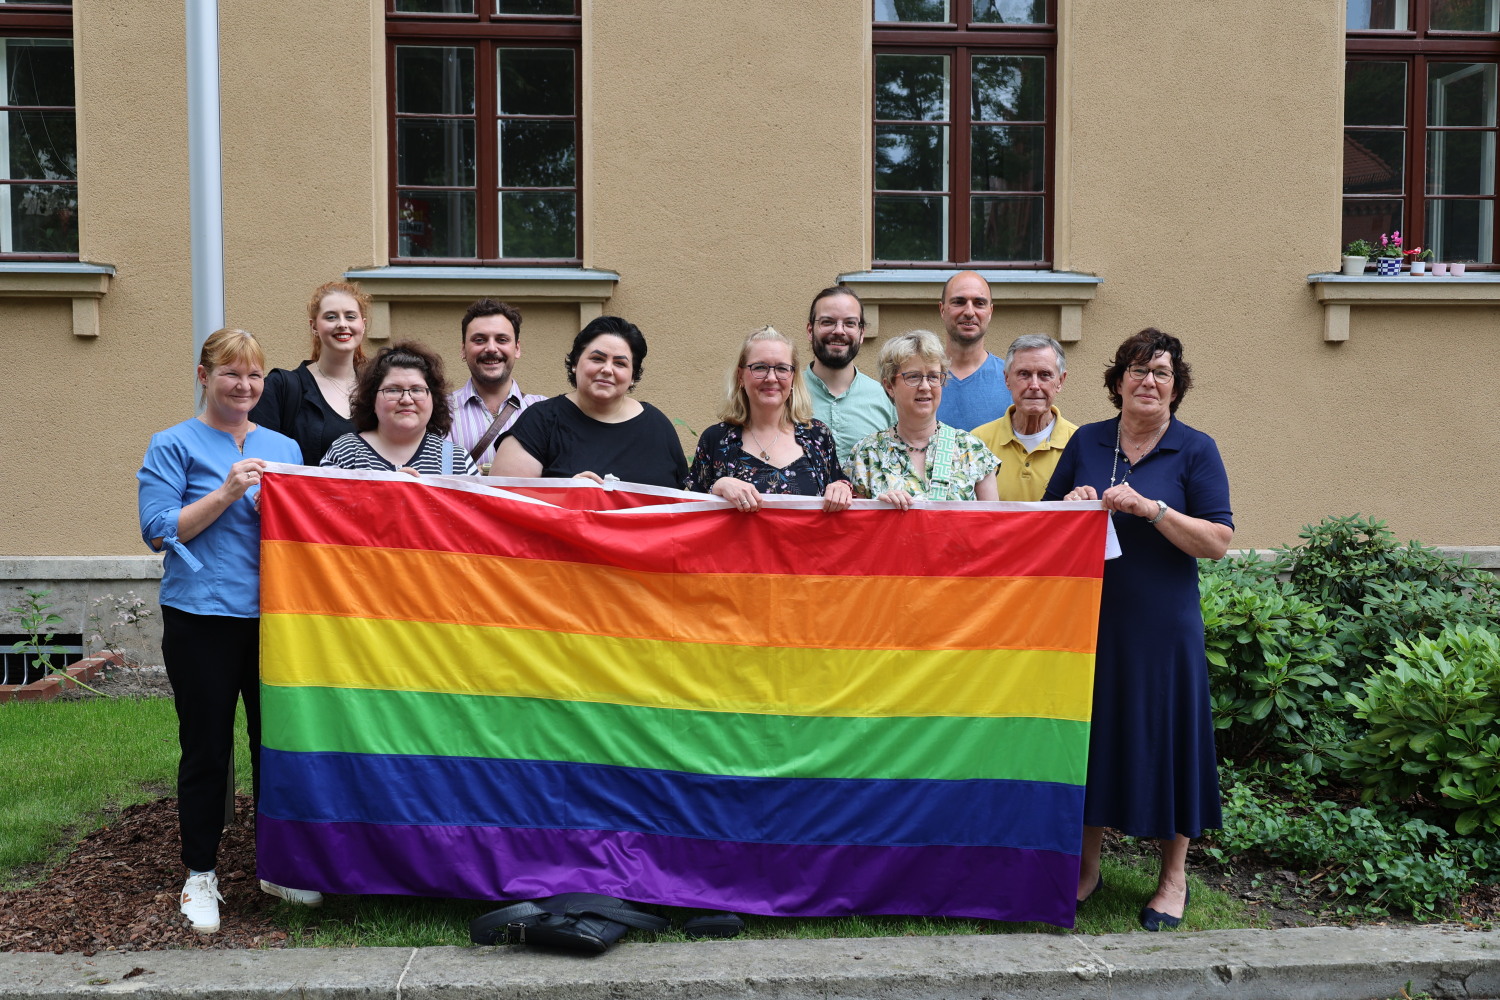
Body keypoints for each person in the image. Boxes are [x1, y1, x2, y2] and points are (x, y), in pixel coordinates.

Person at [1042, 328, 1233, 931]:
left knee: (1171, 742)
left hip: (1164, 627)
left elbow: (1219, 542)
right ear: (1118, 379)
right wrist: (1073, 502)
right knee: (1093, 741)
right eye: (1138, 370)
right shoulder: (1087, 441)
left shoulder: (1196, 450)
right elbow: (1048, 523)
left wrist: (1155, 511)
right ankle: (1086, 867)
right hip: (1093, 620)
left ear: (1176, 388)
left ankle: (1172, 877)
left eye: (1162, 374)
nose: (1149, 382)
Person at [137, 328, 321, 935]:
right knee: (208, 747)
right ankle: (199, 875)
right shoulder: (173, 444)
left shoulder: (284, 447)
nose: (243, 387)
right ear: (203, 377)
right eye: (230, 375)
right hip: (202, 618)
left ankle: (280, 864)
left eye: (253, 376)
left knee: (277, 745)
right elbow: (160, 530)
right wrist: (228, 492)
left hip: (275, 619)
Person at [493, 316, 688, 488]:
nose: (607, 369)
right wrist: (565, 494)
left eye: (620, 363)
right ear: (575, 364)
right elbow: (503, 503)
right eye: (597, 358)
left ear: (633, 376)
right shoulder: (539, 421)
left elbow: (681, 507)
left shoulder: (657, 426)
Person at [683, 325, 853, 513]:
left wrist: (842, 487)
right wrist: (717, 487)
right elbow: (692, 517)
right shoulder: (715, 440)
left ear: (793, 377)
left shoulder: (818, 436)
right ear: (740, 376)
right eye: (760, 367)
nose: (771, 377)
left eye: (782, 368)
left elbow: (839, 499)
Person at [848, 329, 999, 507]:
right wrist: (879, 512)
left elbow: (992, 526)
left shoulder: (971, 450)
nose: (925, 386)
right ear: (889, 386)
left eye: (934, 377)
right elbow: (857, 530)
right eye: (913, 377)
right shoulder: (867, 454)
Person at [250, 280, 368, 466]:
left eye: (350, 316)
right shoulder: (281, 388)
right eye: (331, 317)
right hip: (301, 495)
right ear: (314, 326)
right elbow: (262, 461)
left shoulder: (378, 389)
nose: (342, 324)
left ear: (363, 325)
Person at [320, 341, 480, 475]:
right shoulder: (344, 454)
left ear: (434, 399)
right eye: (393, 390)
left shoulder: (456, 460)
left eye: (417, 389)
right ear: (372, 399)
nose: (406, 399)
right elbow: (323, 512)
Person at [971, 334, 1078, 501]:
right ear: (1007, 379)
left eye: (1045, 375)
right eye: (1024, 374)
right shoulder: (978, 442)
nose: (1034, 385)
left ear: (1060, 381)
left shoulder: (1079, 443)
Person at [445, 298, 546, 474]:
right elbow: (438, 476)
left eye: (501, 339)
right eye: (479, 340)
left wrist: (480, 470)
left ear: (517, 348)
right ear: (463, 349)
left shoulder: (545, 411)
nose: (491, 348)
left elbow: (553, 474)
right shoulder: (441, 410)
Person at [802, 286, 894, 468]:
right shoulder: (787, 393)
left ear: (862, 333)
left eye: (849, 323)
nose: (839, 331)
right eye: (828, 322)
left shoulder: (886, 398)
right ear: (810, 330)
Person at [934, 271, 1013, 431]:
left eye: (979, 303)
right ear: (942, 310)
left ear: (990, 312)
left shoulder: (1012, 379)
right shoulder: (920, 379)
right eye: (959, 302)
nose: (969, 312)